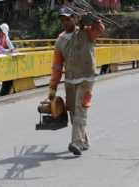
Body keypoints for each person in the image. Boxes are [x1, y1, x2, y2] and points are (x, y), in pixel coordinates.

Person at [48, 7, 105, 155]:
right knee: (73, 112)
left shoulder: (87, 32)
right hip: (70, 80)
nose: (65, 22)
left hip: (87, 78)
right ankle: (84, 140)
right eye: (63, 20)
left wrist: (95, 20)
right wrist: (53, 87)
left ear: (74, 18)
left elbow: (99, 30)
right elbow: (57, 66)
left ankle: (76, 142)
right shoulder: (60, 41)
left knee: (80, 110)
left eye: (68, 18)